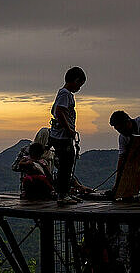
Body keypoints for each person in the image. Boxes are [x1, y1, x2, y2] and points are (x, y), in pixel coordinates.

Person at [49, 66, 86, 205]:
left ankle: (64, 193)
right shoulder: (65, 94)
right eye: (79, 85)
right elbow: (59, 112)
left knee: (66, 165)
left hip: (60, 135)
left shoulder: (64, 93)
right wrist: (69, 129)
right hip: (62, 137)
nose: (79, 89)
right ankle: (62, 195)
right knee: (66, 165)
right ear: (75, 80)